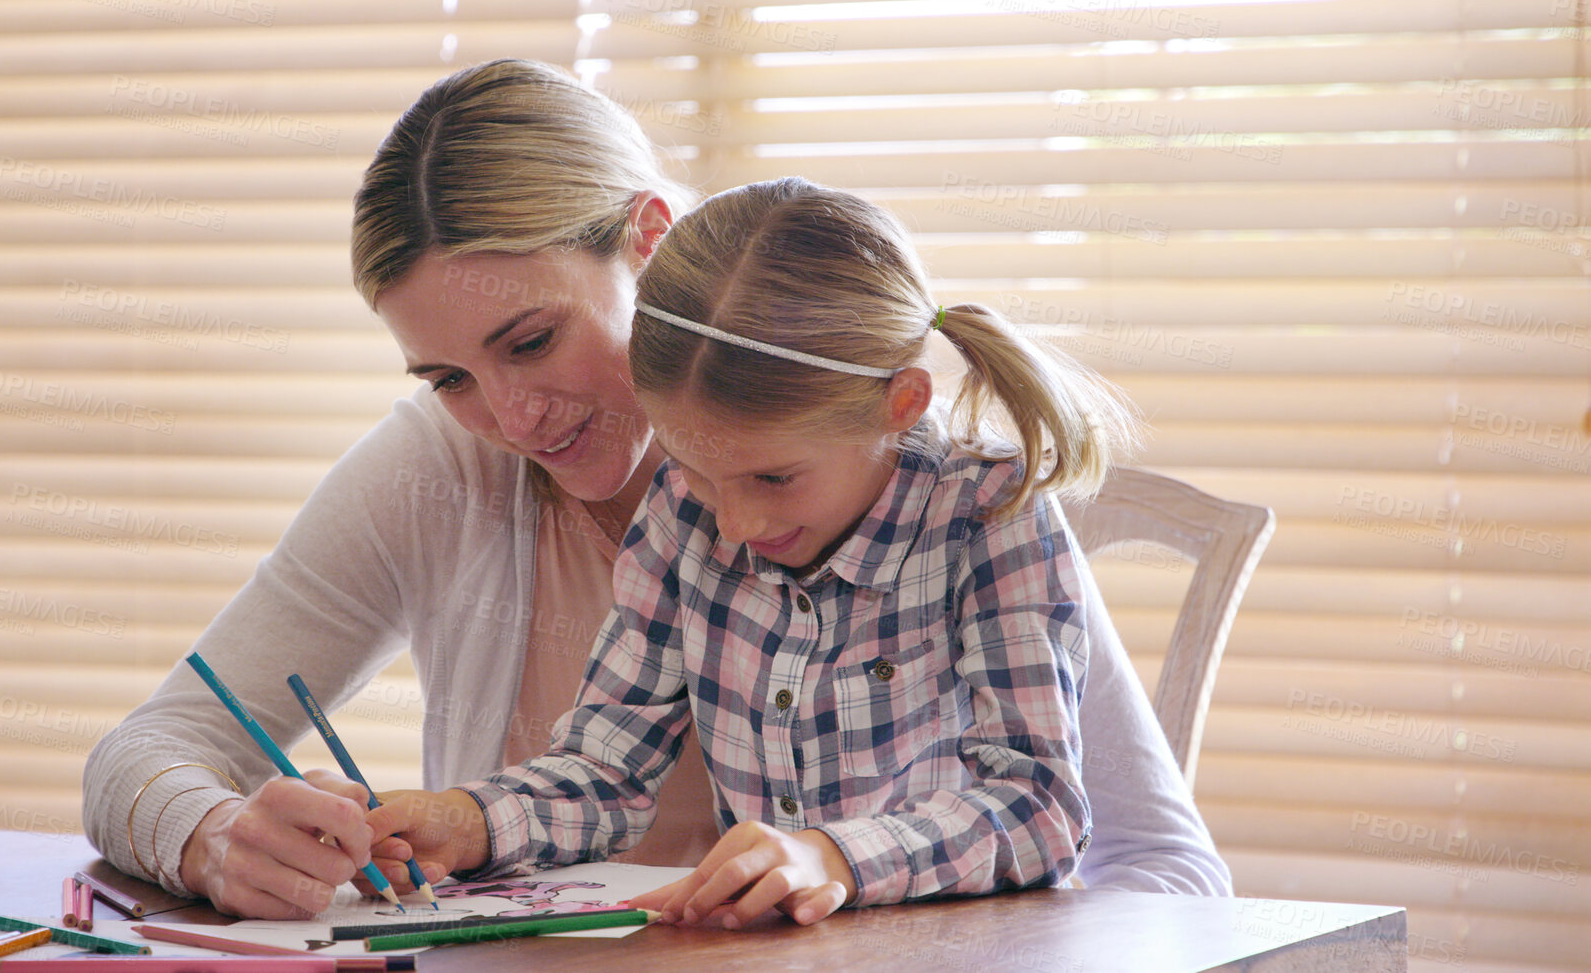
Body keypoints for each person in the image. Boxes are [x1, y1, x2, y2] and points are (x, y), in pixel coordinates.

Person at [79, 60, 1230, 922]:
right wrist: (222, 836)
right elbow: (151, 749)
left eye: (530, 339)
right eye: (448, 376)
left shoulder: (950, 497)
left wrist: (844, 860)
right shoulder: (460, 470)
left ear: (650, 240)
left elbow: (1140, 854)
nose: (511, 417)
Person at [368, 177, 1147, 927]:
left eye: (773, 476)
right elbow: (608, 768)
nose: (734, 523)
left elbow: (1038, 806)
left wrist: (833, 860)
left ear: (899, 402)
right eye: (700, 472)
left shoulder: (987, 513)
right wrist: (464, 820)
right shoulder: (681, 511)